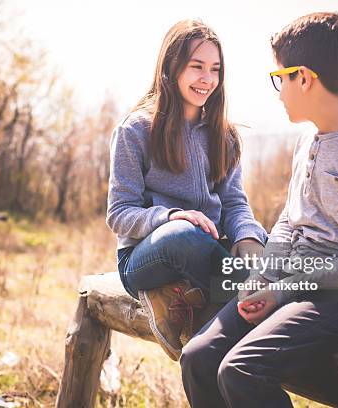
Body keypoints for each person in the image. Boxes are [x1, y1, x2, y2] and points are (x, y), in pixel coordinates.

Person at [181, 12, 338, 407]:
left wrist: (287, 288)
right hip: (291, 283)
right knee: (198, 357)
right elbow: (290, 222)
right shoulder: (307, 141)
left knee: (241, 371)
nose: (279, 90)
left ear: (303, 77)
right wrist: (262, 277)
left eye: (280, 79)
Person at [106, 19, 268, 361]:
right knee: (183, 234)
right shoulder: (135, 130)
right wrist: (171, 217)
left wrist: (248, 238)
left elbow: (235, 204)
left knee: (264, 242)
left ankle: (218, 310)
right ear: (171, 67)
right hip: (146, 258)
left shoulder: (223, 136)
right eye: (196, 67)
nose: (207, 79)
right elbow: (119, 214)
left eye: (215, 69)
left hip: (208, 253)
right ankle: (261, 304)